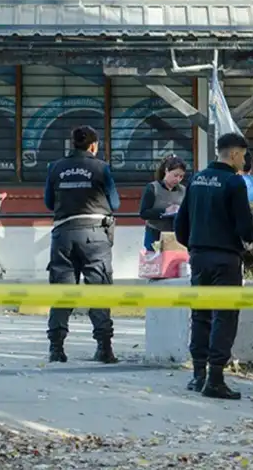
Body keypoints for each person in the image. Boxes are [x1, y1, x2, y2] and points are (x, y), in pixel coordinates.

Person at [174, 133, 253, 400]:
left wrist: (194, 245)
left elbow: (180, 224)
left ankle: (198, 375)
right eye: (243, 155)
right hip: (226, 258)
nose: (244, 160)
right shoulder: (234, 182)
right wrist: (250, 243)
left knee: (200, 313)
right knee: (225, 315)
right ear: (233, 154)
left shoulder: (196, 178)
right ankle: (216, 377)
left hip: (199, 256)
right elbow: (245, 225)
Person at [43, 126, 120, 365]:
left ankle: (56, 349)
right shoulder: (101, 168)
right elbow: (115, 202)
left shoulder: (55, 168)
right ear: (93, 145)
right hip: (95, 235)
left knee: (62, 292)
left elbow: (48, 202)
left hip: (63, 235)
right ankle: (104, 349)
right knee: (99, 290)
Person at [138, 155, 188, 251]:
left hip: (176, 234)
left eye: (181, 176)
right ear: (166, 171)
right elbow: (143, 213)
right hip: (155, 233)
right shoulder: (153, 188)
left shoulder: (183, 190)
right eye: (175, 175)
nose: (177, 179)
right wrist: (165, 211)